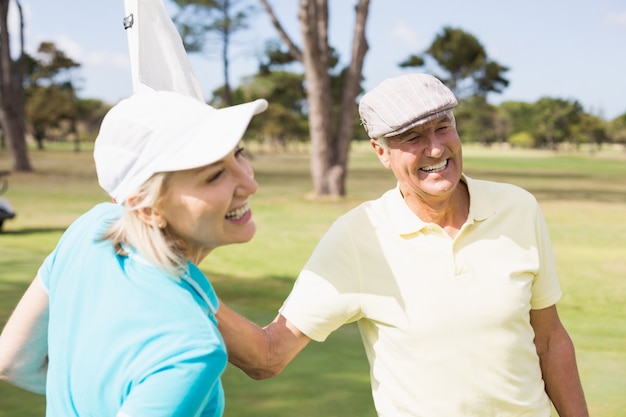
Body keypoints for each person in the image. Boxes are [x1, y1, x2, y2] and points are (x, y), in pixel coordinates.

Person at [216, 73, 589, 416]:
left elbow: (550, 339)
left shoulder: (518, 207)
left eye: (443, 128)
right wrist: (183, 284)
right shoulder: (358, 235)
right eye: (413, 138)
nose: (435, 149)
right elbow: (268, 355)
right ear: (381, 153)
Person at [0, 90, 267, 416]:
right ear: (147, 209)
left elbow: (12, 363)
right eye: (214, 175)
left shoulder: (91, 228)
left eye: (238, 154)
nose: (249, 184)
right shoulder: (191, 350)